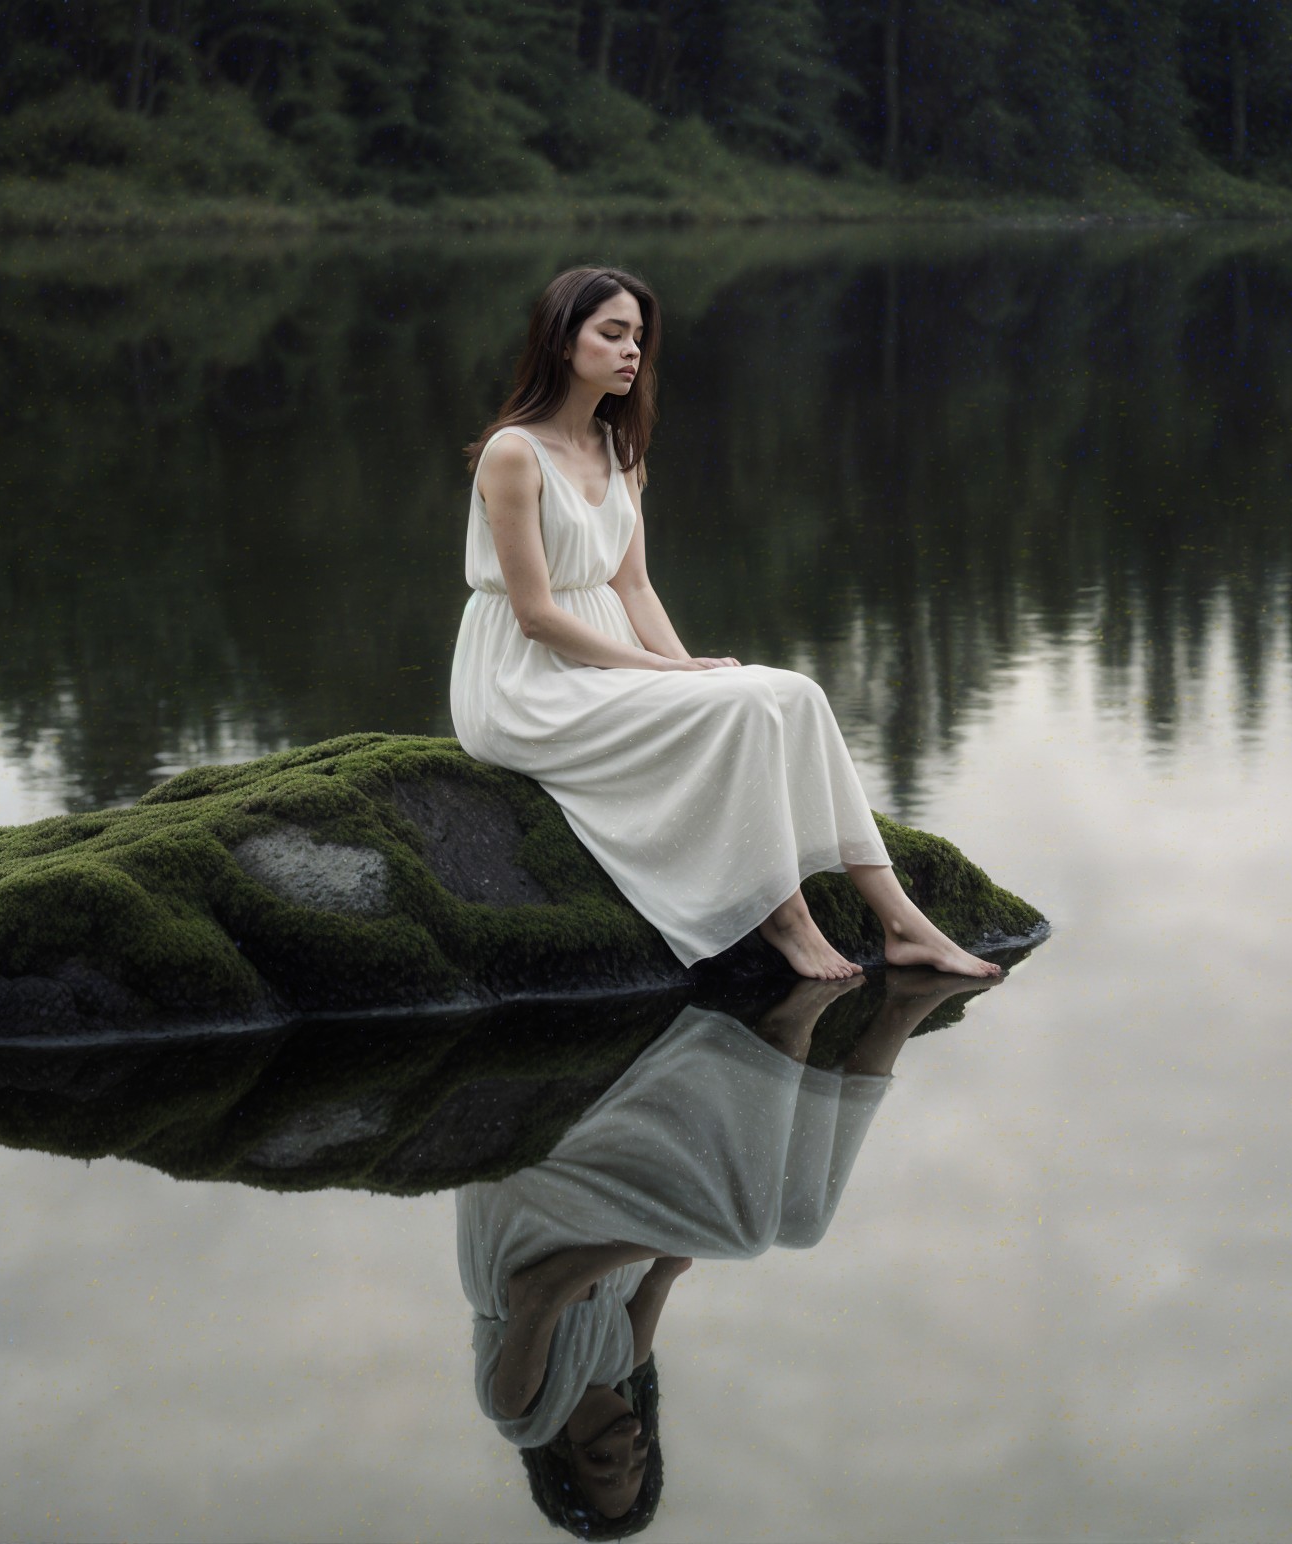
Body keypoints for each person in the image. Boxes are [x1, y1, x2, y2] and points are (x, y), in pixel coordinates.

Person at [450, 264, 1003, 982]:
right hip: (520, 683)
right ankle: (789, 922)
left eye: (639, 339)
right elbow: (535, 617)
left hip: (603, 659)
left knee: (794, 693)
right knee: (741, 709)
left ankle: (902, 922)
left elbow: (634, 584)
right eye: (612, 334)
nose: (631, 353)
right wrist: (666, 673)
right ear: (562, 342)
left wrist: (691, 672)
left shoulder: (622, 451)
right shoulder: (513, 453)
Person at [457, 970, 979, 1537]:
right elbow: (672, 1267)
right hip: (598, 1212)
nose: (628, 1443)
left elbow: (543, 1288)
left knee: (748, 1232)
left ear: (561, 1458)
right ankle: (895, 1017)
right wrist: (684, 1230)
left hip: (535, 1206)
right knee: (801, 1224)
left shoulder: (521, 1411)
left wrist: (678, 1231)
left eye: (605, 1465)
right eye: (640, 1457)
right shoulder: (623, 1364)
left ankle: (789, 1030)